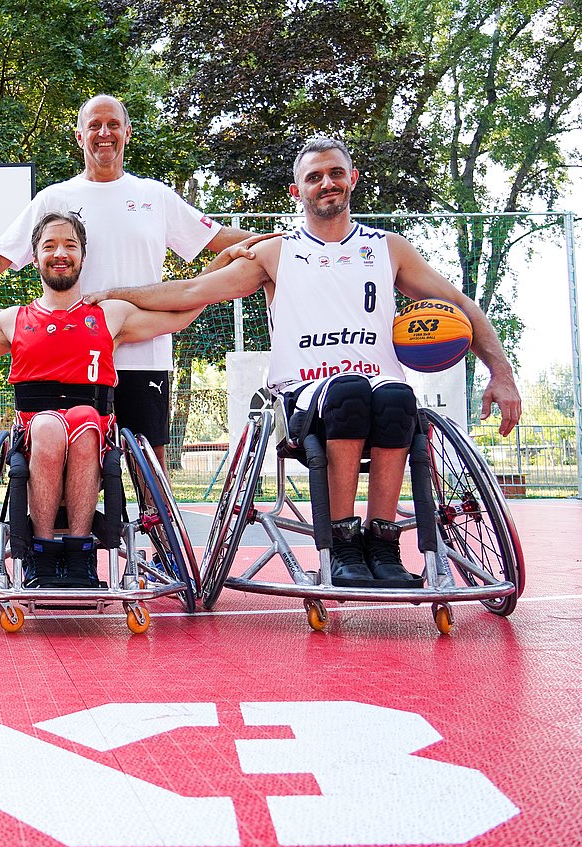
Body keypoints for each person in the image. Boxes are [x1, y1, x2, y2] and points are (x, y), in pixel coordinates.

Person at [88, 137, 522, 588]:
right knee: (348, 392)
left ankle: (383, 543)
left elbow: (459, 305)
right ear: (298, 192)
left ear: (352, 179)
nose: (326, 183)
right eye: (314, 177)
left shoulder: (389, 248)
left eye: (335, 173)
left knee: (398, 397)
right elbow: (191, 292)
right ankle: (341, 542)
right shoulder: (277, 251)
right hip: (305, 395)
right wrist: (115, 294)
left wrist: (501, 373)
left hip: (380, 388)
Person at [0, 94, 256, 467]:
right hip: (74, 356)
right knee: (72, 468)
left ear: (127, 133)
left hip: (143, 352)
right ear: (80, 136)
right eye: (94, 125)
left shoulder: (154, 195)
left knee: (151, 472)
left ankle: (157, 528)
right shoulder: (54, 198)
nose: (104, 133)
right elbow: (4, 253)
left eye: (113, 124)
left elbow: (214, 238)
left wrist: (283, 243)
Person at [0, 211, 201, 587]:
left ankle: (79, 554)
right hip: (36, 430)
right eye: (49, 246)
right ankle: (42, 554)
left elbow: (179, 313)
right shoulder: (14, 319)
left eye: (70, 245)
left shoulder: (109, 314)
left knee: (84, 417)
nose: (60, 253)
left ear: (83, 256)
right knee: (51, 425)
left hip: (94, 428)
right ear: (35, 257)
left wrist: (223, 269)